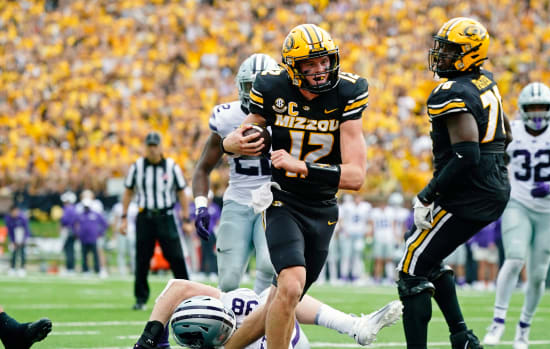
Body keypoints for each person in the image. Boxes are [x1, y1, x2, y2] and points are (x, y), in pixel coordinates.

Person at [220, 23, 368, 349]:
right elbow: (237, 138)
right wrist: (232, 143)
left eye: (324, 61)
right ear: (292, 67)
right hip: (281, 198)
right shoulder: (272, 87)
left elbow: (356, 177)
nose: (319, 70)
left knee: (282, 296)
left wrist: (301, 165)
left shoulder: (348, 91)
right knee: (289, 286)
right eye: (310, 64)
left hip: (323, 206)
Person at [396, 17, 511, 349]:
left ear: (470, 54)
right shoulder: (484, 82)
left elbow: (466, 154)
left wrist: (427, 194)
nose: (440, 56)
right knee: (423, 252)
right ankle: (461, 336)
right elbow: (506, 134)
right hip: (489, 187)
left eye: (449, 51)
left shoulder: (452, 91)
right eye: (441, 48)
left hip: (469, 192)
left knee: (410, 268)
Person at [482, 82, 550, 349]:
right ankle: (498, 322)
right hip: (518, 204)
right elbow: (498, 161)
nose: (536, 113)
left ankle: (523, 329)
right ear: (522, 110)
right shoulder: (511, 131)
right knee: (514, 259)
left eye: (541, 108)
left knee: (538, 275)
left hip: (549, 210)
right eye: (531, 108)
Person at [192, 53, 279, 293]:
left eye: (262, 87)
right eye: (251, 87)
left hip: (273, 201)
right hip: (237, 199)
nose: (255, 94)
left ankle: (262, 324)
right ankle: (234, 325)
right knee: (228, 281)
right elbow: (202, 168)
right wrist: (201, 205)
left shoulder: (287, 116)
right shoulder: (226, 116)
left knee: (268, 264)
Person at [133, 278, 402, 349]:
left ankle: (355, 326)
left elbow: (176, 287)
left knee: (270, 298)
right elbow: (177, 287)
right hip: (285, 342)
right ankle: (353, 325)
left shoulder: (228, 311)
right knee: (273, 296)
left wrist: (151, 336)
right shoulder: (239, 306)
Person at [121, 131, 191, 310]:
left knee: (176, 257)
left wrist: (186, 217)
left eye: (155, 146)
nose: (152, 150)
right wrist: (123, 217)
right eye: (149, 146)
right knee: (142, 259)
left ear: (161, 147)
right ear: (146, 147)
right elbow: (128, 191)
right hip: (144, 217)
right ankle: (140, 298)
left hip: (166, 216)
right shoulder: (137, 166)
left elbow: (182, 192)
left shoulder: (171, 166)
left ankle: (187, 295)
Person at [339, 194, 371, 283]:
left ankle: (355, 276)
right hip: (348, 234)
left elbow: (369, 221)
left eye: (359, 197)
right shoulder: (347, 206)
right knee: (346, 256)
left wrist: (367, 232)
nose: (358, 199)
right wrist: (344, 230)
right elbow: (341, 219)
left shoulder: (365, 207)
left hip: (359, 235)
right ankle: (344, 276)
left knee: (357, 256)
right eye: (357, 198)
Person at [75, 200, 108, 275]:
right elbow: (76, 224)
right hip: (83, 239)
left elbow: (105, 224)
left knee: (95, 255)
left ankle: (97, 270)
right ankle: (85, 270)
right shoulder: (81, 215)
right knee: (84, 256)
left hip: (93, 238)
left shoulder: (95, 214)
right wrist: (78, 233)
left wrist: (100, 233)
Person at [5, 205, 31, 277]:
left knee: (22, 253)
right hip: (14, 237)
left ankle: (22, 268)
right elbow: (9, 231)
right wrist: (12, 241)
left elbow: (26, 229)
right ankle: (12, 268)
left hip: (22, 236)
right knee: (14, 253)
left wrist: (24, 239)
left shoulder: (22, 218)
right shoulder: (8, 219)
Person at [59, 191, 79, 275]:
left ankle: (69, 268)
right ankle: (71, 267)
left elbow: (64, 220)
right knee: (71, 250)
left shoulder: (68, 209)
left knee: (68, 250)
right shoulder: (74, 208)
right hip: (73, 231)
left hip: (68, 231)